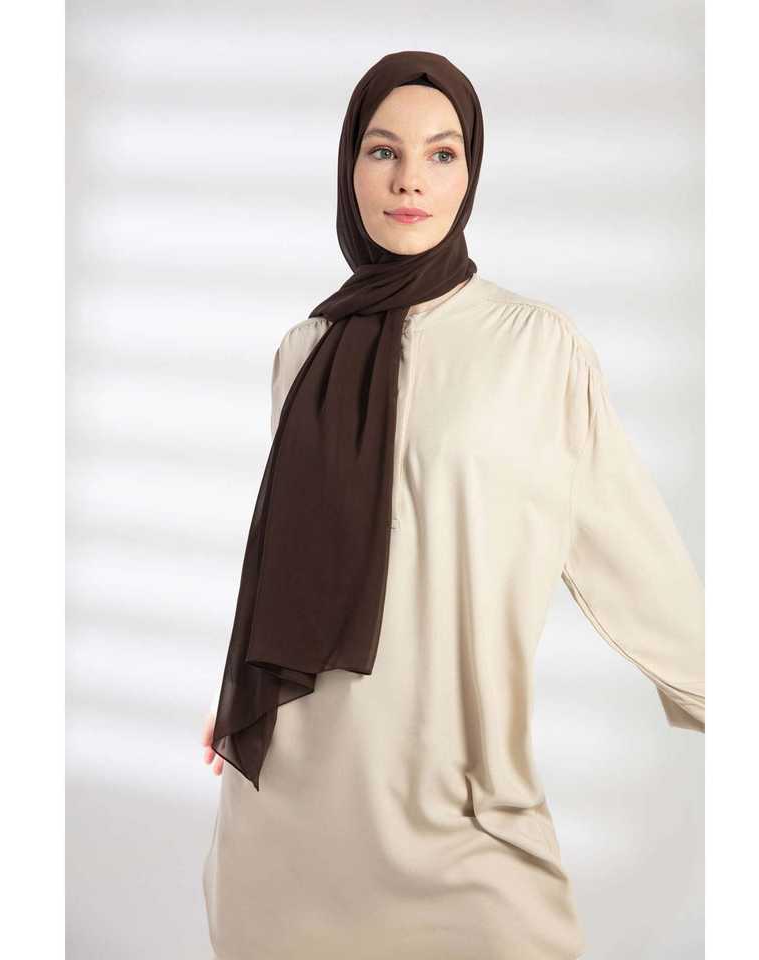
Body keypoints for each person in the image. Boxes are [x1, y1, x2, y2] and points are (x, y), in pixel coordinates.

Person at [200, 51, 704, 960]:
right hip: (286, 822)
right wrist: (243, 690)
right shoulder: (304, 349)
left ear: (471, 174)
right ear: (350, 166)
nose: (409, 180)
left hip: (464, 813)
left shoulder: (535, 346)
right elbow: (289, 554)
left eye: (442, 154)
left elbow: (631, 551)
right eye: (382, 151)